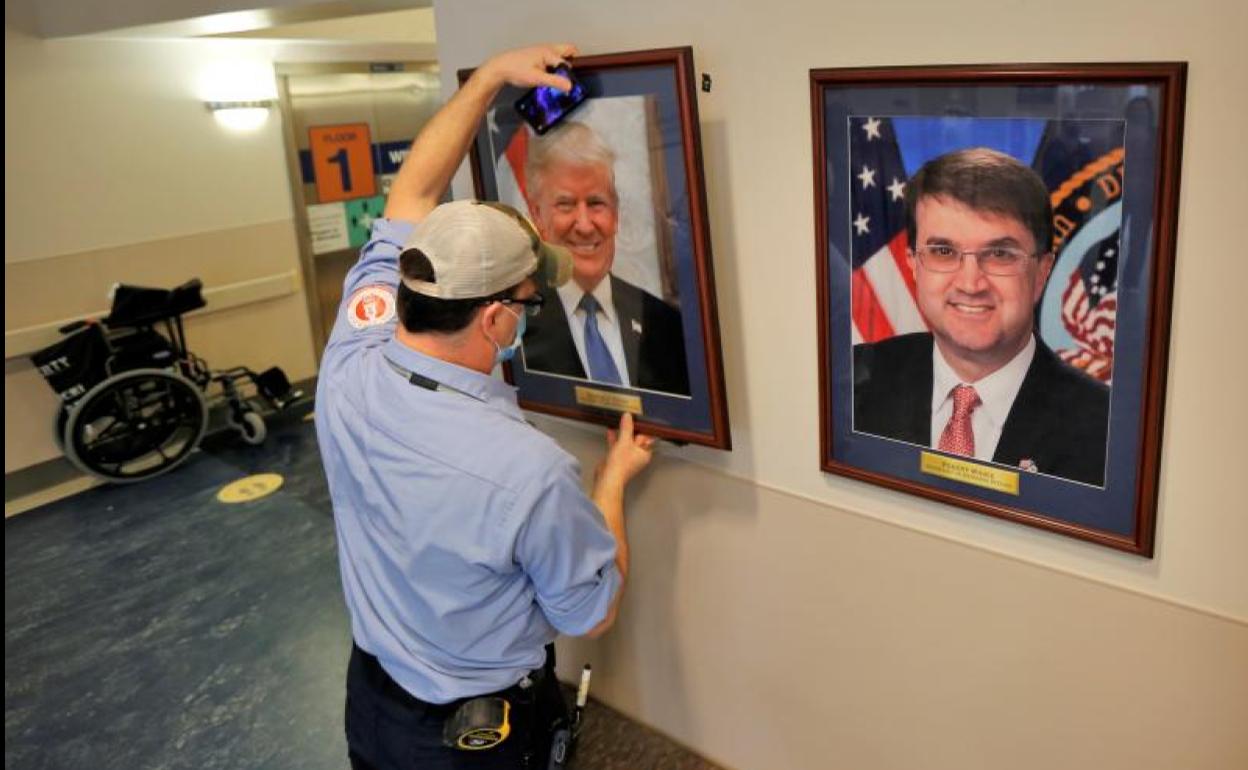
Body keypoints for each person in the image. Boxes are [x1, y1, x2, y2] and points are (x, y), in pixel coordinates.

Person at [315, 44, 657, 769]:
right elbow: (592, 611)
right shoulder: (527, 472)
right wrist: (610, 487)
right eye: (531, 302)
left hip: (375, 705)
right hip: (477, 740)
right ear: (497, 321)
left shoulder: (352, 354)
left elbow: (410, 194)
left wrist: (495, 77)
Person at [852, 147, 1110, 486]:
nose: (970, 283)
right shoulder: (856, 381)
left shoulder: (1105, 428)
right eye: (943, 251)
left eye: (1000, 254)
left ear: (1043, 271)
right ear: (913, 264)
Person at [519, 120, 692, 396]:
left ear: (616, 214)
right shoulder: (515, 326)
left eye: (597, 203)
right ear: (537, 215)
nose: (585, 225)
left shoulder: (666, 325)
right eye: (566, 205)